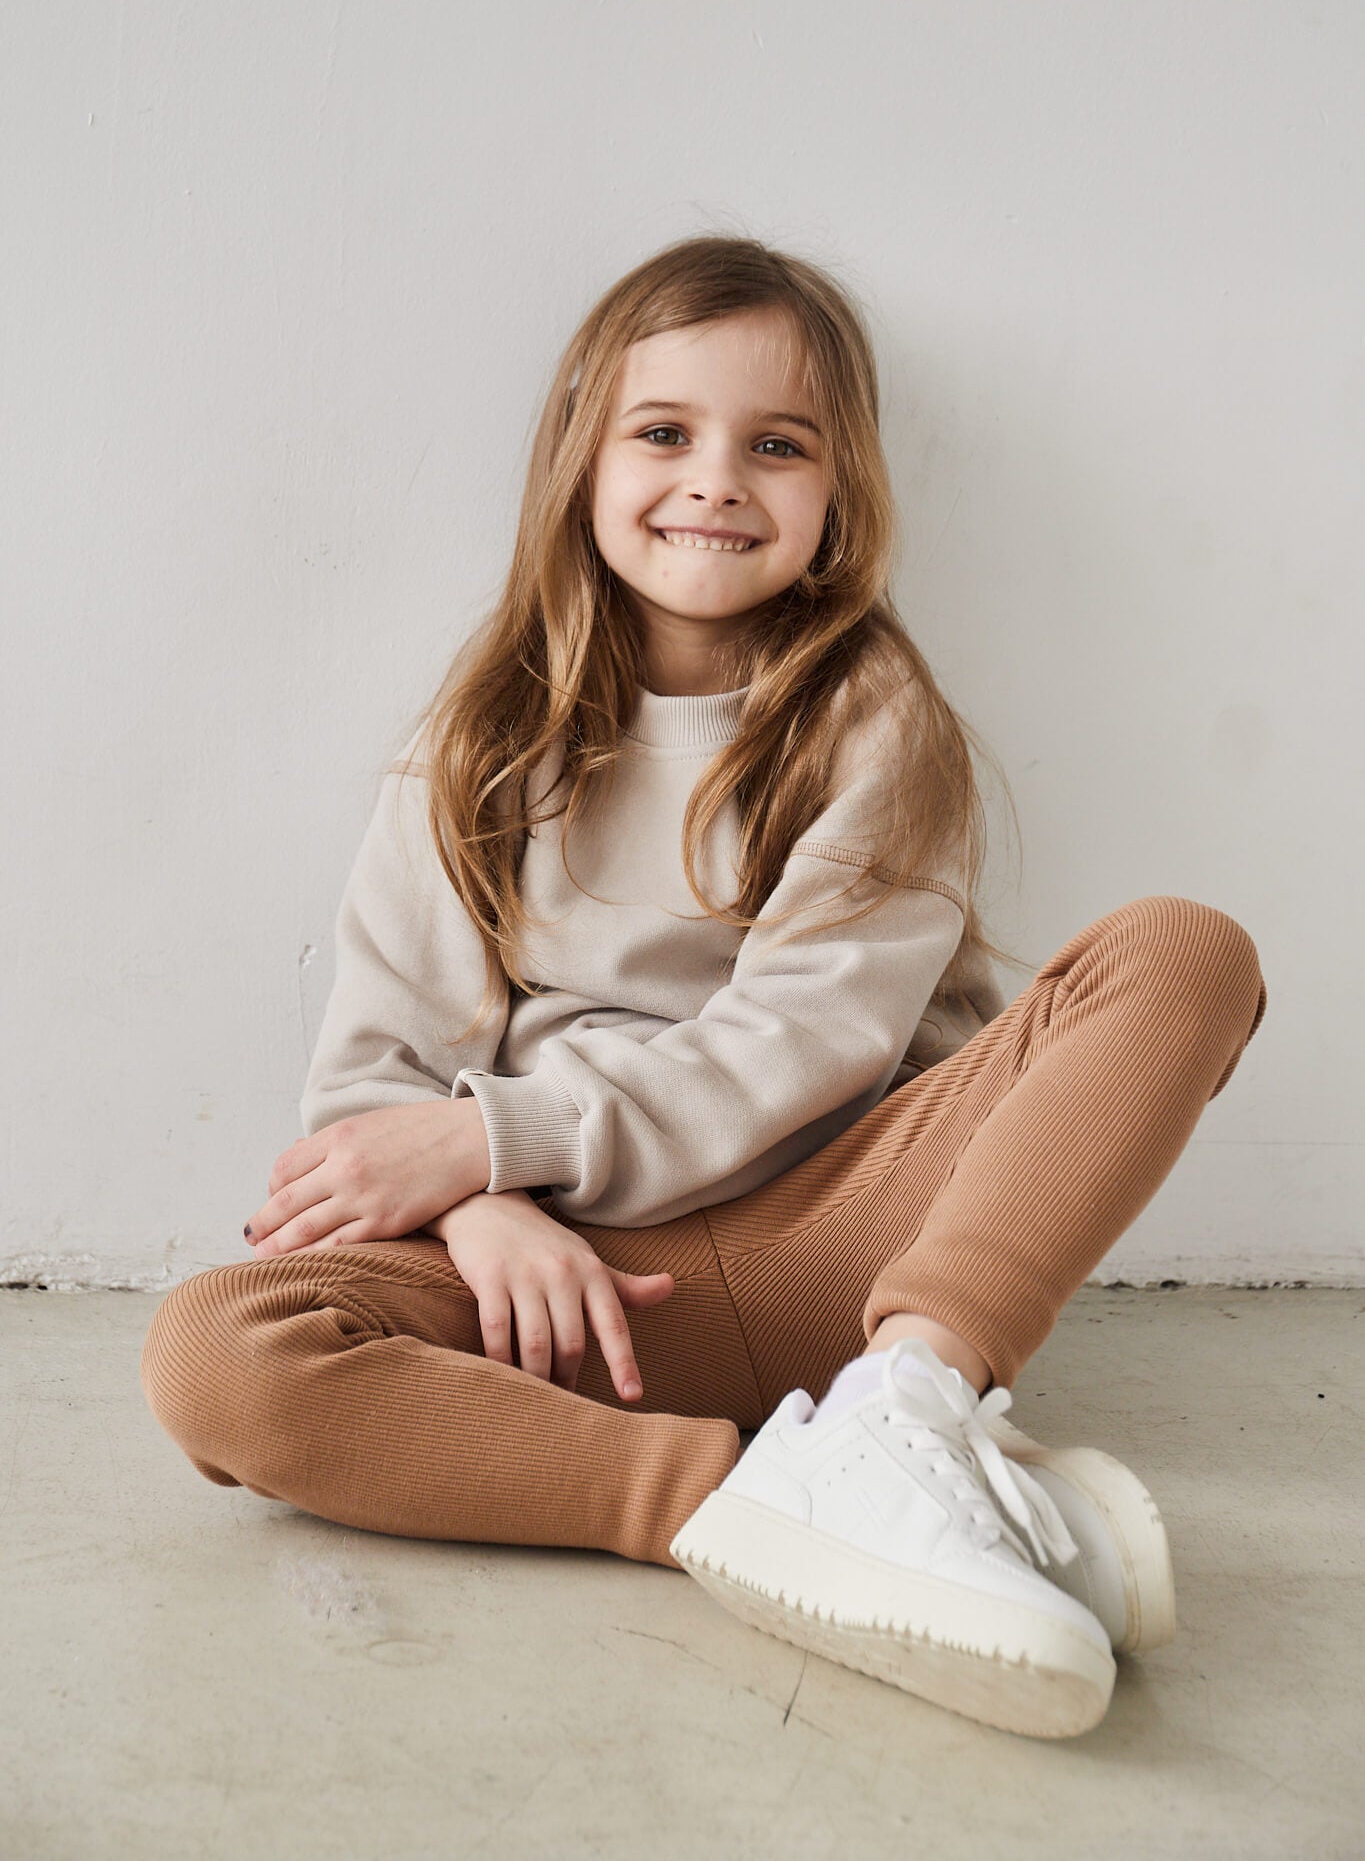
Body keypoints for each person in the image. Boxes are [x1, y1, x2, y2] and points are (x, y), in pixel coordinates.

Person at [140, 233, 1267, 1741]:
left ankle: (904, 1415)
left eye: (775, 445)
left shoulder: (872, 722)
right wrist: (485, 1207)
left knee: (1185, 950)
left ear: (837, 491)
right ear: (579, 461)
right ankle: (751, 1506)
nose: (714, 478)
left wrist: (493, 1138)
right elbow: (373, 1091)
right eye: (663, 432)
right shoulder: (475, 747)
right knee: (212, 1348)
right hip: (586, 1302)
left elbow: (799, 1045)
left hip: (848, 1252)